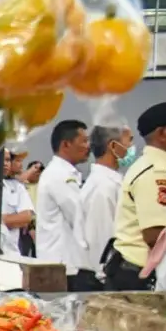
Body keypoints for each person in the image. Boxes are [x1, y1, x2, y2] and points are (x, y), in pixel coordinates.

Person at [105, 101, 166, 291]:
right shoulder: (156, 173)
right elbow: (156, 237)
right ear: (161, 134)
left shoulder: (165, 168)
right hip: (139, 278)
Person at [37, 120, 98, 291]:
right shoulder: (59, 175)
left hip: (67, 265)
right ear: (66, 144)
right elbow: (80, 216)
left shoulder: (65, 173)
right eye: (84, 141)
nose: (88, 147)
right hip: (65, 267)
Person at [80, 125, 133, 277]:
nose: (131, 148)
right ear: (113, 146)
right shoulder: (102, 187)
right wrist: (104, 276)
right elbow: (101, 237)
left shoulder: (112, 181)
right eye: (129, 141)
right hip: (105, 277)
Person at [2, 150, 36, 256]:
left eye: (7, 160)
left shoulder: (17, 187)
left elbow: (26, 218)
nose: (5, 163)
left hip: (11, 253)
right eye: (17, 160)